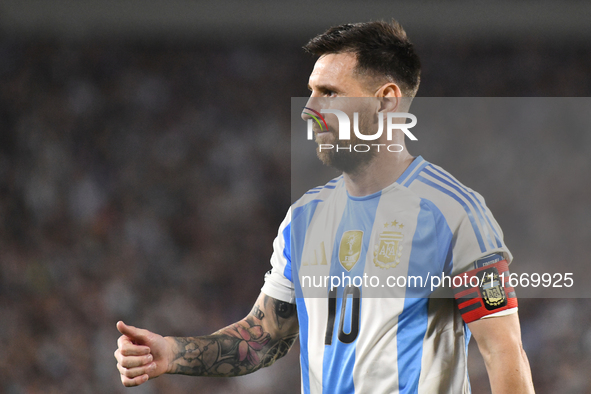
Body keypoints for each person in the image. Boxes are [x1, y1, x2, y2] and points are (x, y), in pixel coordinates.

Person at [114, 20, 535, 393]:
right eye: (311, 92)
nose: (308, 111)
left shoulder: (453, 212)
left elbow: (504, 353)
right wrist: (172, 352)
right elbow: (262, 338)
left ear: (386, 101)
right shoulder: (305, 217)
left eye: (328, 93)